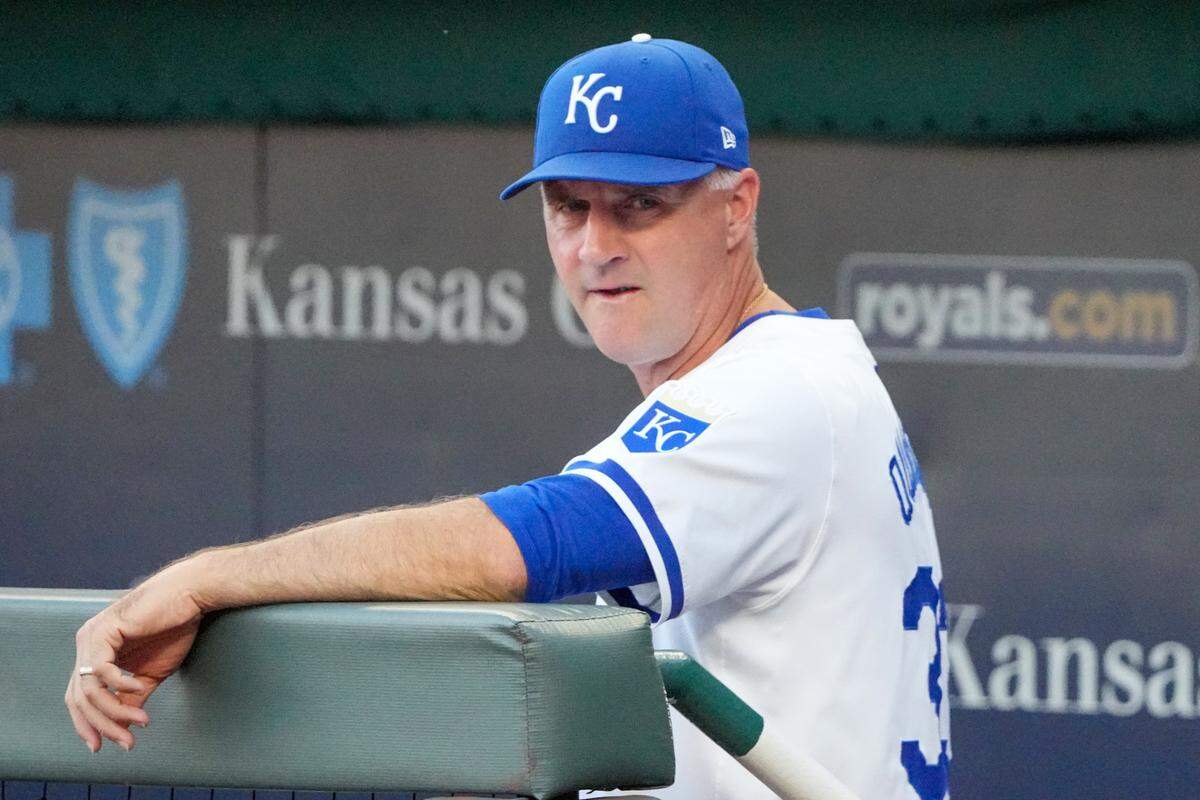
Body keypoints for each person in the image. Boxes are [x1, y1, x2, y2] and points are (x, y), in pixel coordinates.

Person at [66, 36, 949, 800]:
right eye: (569, 205)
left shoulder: (773, 393)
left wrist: (209, 577)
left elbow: (526, 547)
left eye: (641, 202)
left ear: (738, 206)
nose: (596, 245)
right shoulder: (801, 371)